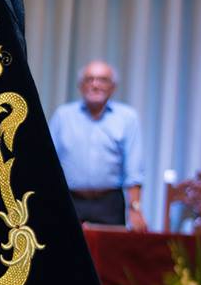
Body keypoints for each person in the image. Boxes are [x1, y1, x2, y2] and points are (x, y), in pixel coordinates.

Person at [48, 60, 147, 230]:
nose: (95, 85)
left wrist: (135, 209)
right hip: (69, 201)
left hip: (109, 203)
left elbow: (134, 170)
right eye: (89, 79)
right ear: (80, 85)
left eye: (102, 79)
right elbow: (47, 164)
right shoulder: (63, 116)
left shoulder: (127, 118)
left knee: (108, 254)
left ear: (113, 87)